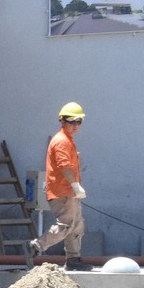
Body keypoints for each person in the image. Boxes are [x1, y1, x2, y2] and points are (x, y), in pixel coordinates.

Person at [28, 102, 89, 271]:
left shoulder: (68, 140)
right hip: (63, 191)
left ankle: (73, 259)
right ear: (62, 121)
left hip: (68, 191)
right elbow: (64, 167)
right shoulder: (62, 141)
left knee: (76, 225)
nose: (75, 125)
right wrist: (75, 186)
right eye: (72, 121)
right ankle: (35, 246)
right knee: (65, 226)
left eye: (79, 122)